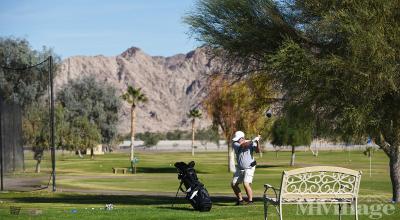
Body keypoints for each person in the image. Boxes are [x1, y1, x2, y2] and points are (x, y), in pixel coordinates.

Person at [231, 130, 260, 205]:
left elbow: (257, 151)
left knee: (246, 183)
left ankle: (250, 201)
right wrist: (253, 140)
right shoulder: (235, 144)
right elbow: (244, 145)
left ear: (242, 138)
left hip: (249, 167)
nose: (236, 140)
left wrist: (257, 142)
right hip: (240, 168)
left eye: (238, 139)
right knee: (234, 184)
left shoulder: (250, 143)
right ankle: (240, 200)